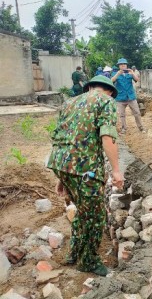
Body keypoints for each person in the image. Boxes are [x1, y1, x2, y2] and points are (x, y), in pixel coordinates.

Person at [47, 75, 124, 276]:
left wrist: (62, 177)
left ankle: (75, 252)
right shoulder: (106, 101)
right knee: (96, 216)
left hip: (61, 163)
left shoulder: (69, 102)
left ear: (89, 87)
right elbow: (107, 137)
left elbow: (62, 136)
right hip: (85, 168)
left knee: (82, 210)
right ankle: (87, 261)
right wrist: (116, 170)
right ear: (108, 91)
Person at [111, 58, 146, 134]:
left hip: (131, 97)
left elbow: (137, 79)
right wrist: (118, 74)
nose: (123, 65)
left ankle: (141, 127)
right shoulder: (115, 74)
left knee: (137, 112)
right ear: (119, 66)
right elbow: (111, 81)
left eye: (124, 64)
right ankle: (124, 128)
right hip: (120, 97)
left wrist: (132, 73)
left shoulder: (130, 73)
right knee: (122, 115)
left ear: (126, 65)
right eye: (121, 64)